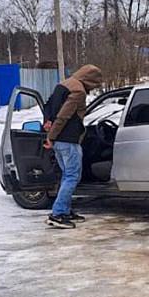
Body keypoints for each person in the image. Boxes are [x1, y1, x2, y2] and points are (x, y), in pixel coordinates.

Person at [42, 64, 104, 229]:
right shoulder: (78, 91)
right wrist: (51, 136)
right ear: (89, 80)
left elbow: (48, 105)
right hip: (68, 140)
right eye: (94, 84)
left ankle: (66, 210)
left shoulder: (63, 85)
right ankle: (57, 214)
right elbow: (64, 116)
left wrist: (47, 122)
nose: (93, 88)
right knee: (72, 176)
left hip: (59, 142)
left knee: (66, 176)